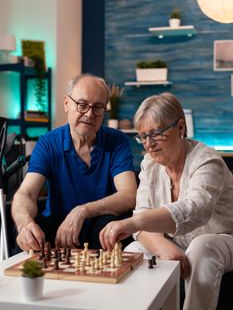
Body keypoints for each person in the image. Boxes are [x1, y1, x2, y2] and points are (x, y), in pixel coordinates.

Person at [99, 92, 233, 310]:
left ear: (180, 128)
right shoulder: (149, 164)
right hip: (178, 242)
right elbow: (141, 220)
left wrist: (134, 223)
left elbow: (196, 209)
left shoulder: (207, 160)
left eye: (155, 134)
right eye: (142, 136)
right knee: (133, 249)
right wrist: (163, 247)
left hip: (225, 238)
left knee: (201, 247)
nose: (148, 144)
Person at [12, 74, 137, 252]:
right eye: (82, 105)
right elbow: (26, 194)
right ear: (66, 103)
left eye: (98, 107)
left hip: (100, 225)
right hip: (58, 225)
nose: (90, 114)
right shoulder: (48, 143)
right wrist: (24, 224)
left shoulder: (117, 141)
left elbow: (129, 196)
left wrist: (82, 211)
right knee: (27, 234)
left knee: (111, 228)